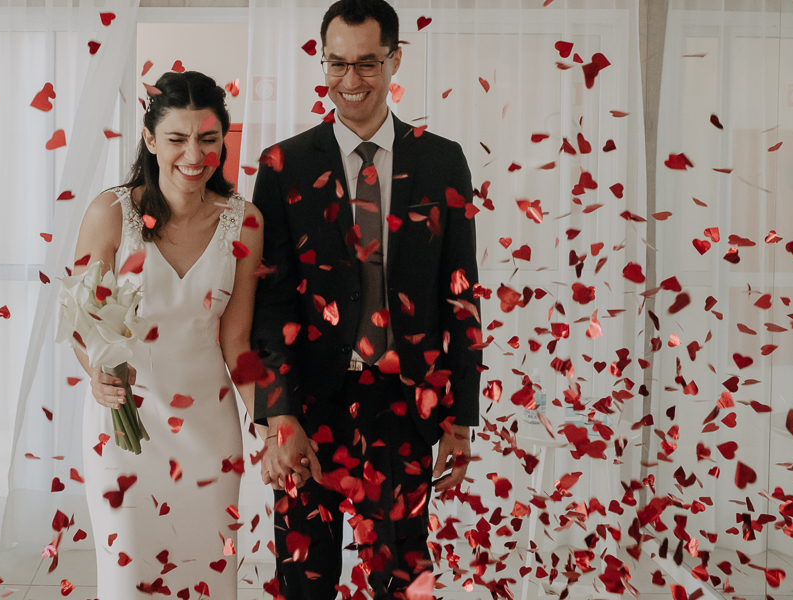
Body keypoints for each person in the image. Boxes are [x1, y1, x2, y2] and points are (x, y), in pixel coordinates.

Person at [251, 1, 482, 598]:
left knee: (402, 577)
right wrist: (278, 414)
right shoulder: (284, 166)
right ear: (322, 61)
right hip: (307, 402)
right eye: (337, 64)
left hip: (403, 402)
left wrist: (461, 417)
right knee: (305, 576)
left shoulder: (442, 160)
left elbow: (461, 296)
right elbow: (271, 299)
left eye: (367, 64)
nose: (350, 82)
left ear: (395, 59)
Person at [68, 70, 264, 599]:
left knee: (207, 580)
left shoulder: (244, 222)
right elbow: (83, 323)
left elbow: (237, 341)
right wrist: (96, 373)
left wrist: (267, 425)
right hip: (123, 432)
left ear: (224, 139)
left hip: (210, 436)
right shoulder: (111, 214)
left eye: (207, 139)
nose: (193, 156)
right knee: (130, 579)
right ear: (151, 140)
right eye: (177, 139)